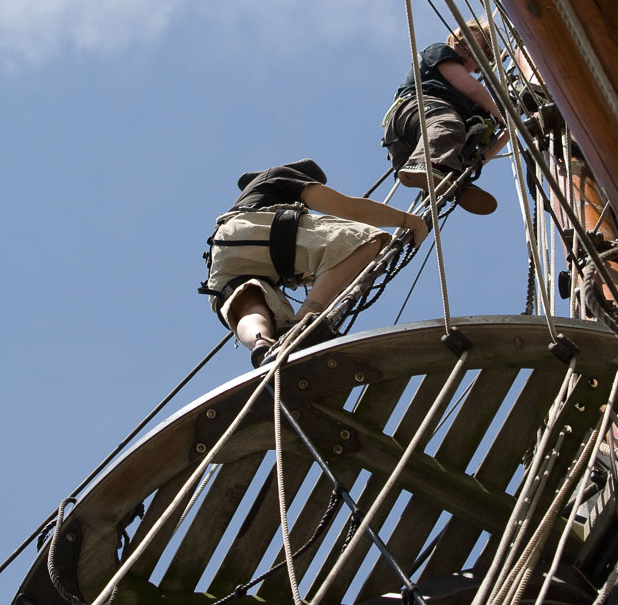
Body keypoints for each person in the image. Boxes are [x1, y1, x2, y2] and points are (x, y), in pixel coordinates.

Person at [203, 159, 428, 366]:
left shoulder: (258, 195)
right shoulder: (278, 174)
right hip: (252, 230)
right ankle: (300, 324)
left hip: (222, 263)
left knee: (252, 307)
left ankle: (261, 343)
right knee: (365, 241)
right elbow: (350, 209)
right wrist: (409, 221)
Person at [382, 20, 508, 214]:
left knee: (462, 144)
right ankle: (431, 166)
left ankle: (450, 179)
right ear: (451, 40)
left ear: (480, 63)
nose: (464, 49)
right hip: (416, 113)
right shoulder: (439, 52)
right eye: (461, 41)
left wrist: (510, 131)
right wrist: (503, 115)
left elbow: (489, 146)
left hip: (412, 147)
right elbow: (473, 89)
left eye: (473, 49)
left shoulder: (474, 107)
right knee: (449, 124)